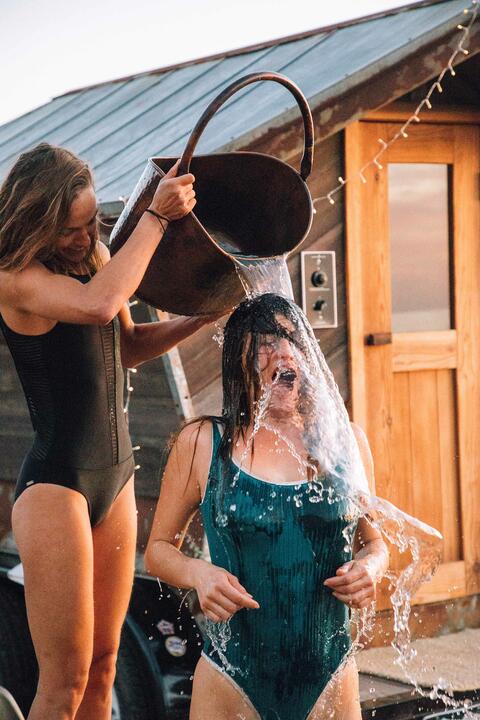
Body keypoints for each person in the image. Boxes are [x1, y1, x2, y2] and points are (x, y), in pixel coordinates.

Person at [0, 142, 217, 720]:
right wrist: (153, 218)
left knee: (105, 664)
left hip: (116, 480)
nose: (86, 236)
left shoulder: (96, 256)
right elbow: (99, 306)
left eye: (92, 221)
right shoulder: (15, 279)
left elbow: (128, 345)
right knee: (63, 683)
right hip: (57, 488)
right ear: (37, 221)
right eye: (71, 228)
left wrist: (204, 316)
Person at [145, 293, 389, 720]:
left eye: (292, 339)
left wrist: (370, 568)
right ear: (237, 363)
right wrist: (198, 574)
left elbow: (376, 543)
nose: (281, 352)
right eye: (263, 343)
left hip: (329, 679)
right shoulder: (202, 443)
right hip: (231, 680)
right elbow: (159, 549)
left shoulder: (344, 442)